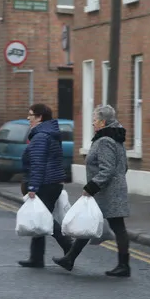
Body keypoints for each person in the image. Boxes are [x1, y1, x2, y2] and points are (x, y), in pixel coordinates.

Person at [52, 105, 131, 277]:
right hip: (110, 190)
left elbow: (107, 169)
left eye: (94, 120)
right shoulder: (115, 138)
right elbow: (124, 166)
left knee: (116, 227)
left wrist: (91, 187)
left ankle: (124, 266)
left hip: (108, 192)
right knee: (90, 223)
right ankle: (70, 259)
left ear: (102, 122)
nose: (93, 123)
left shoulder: (104, 141)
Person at [18, 104, 72, 268]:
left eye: (31, 115)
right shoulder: (49, 134)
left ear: (40, 117)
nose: (28, 118)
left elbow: (38, 163)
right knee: (40, 218)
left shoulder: (41, 136)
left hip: (45, 184)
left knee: (46, 220)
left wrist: (33, 187)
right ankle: (36, 258)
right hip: (51, 182)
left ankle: (70, 252)